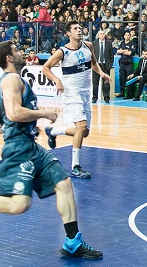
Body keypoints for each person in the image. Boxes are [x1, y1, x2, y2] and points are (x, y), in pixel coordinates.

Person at [0, 41, 102, 260]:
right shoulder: (11, 79)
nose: (21, 53)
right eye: (16, 51)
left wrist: (18, 129)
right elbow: (14, 113)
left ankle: (72, 242)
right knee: (19, 205)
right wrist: (43, 114)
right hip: (19, 150)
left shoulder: (10, 81)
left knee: (63, 183)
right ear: (9, 58)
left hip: (30, 145)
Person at [42, 21, 110, 179]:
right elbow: (45, 68)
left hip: (86, 93)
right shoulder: (62, 51)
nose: (79, 30)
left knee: (84, 132)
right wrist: (57, 80)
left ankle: (53, 131)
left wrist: (101, 73)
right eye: (75, 28)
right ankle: (75, 167)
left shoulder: (88, 46)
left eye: (80, 28)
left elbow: (93, 63)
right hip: (71, 93)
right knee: (81, 126)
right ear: (68, 33)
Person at [92, 30, 114, 104]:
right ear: (98, 35)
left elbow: (111, 55)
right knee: (95, 83)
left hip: (105, 65)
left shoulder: (109, 43)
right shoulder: (94, 43)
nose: (102, 35)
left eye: (103, 34)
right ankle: (94, 98)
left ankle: (106, 98)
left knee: (106, 83)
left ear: (105, 35)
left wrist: (109, 65)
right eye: (100, 34)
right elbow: (92, 55)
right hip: (96, 65)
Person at [115, 31, 136, 98]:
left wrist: (122, 51)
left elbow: (129, 53)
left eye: (128, 35)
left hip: (128, 64)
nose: (127, 36)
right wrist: (125, 50)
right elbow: (118, 51)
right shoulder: (122, 43)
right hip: (122, 63)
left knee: (129, 78)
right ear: (124, 36)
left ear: (130, 36)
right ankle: (122, 92)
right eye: (126, 35)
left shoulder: (132, 43)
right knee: (122, 78)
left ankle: (130, 94)